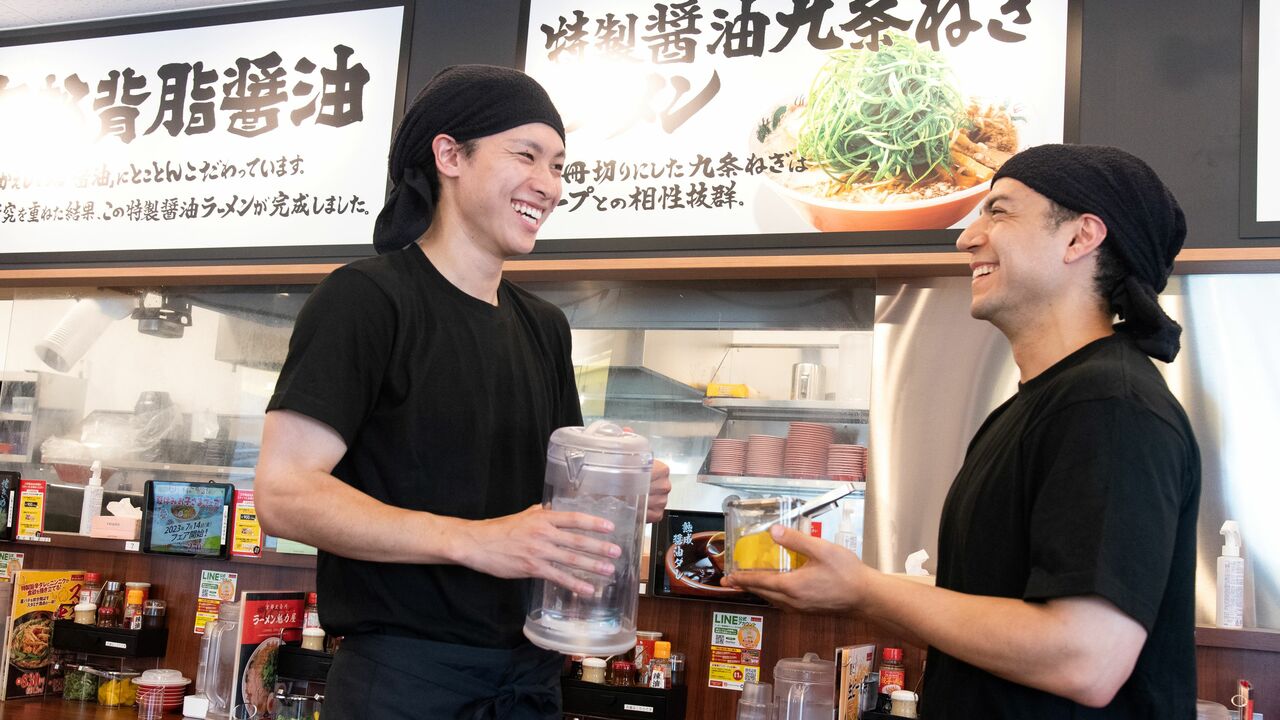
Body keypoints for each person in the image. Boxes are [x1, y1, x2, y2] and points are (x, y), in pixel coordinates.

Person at [254, 65, 671, 720]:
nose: (549, 184)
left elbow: (554, 497)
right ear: (449, 155)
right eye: (526, 155)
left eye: (558, 165)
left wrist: (623, 492)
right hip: (402, 685)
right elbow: (284, 494)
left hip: (529, 682)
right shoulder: (366, 300)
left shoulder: (544, 327)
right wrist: (473, 540)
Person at [728, 144, 1200, 719]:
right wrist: (852, 587)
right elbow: (988, 611)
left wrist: (867, 590)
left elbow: (1086, 659)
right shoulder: (1031, 408)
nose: (967, 238)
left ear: (1081, 237)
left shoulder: (1110, 404)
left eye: (998, 211)